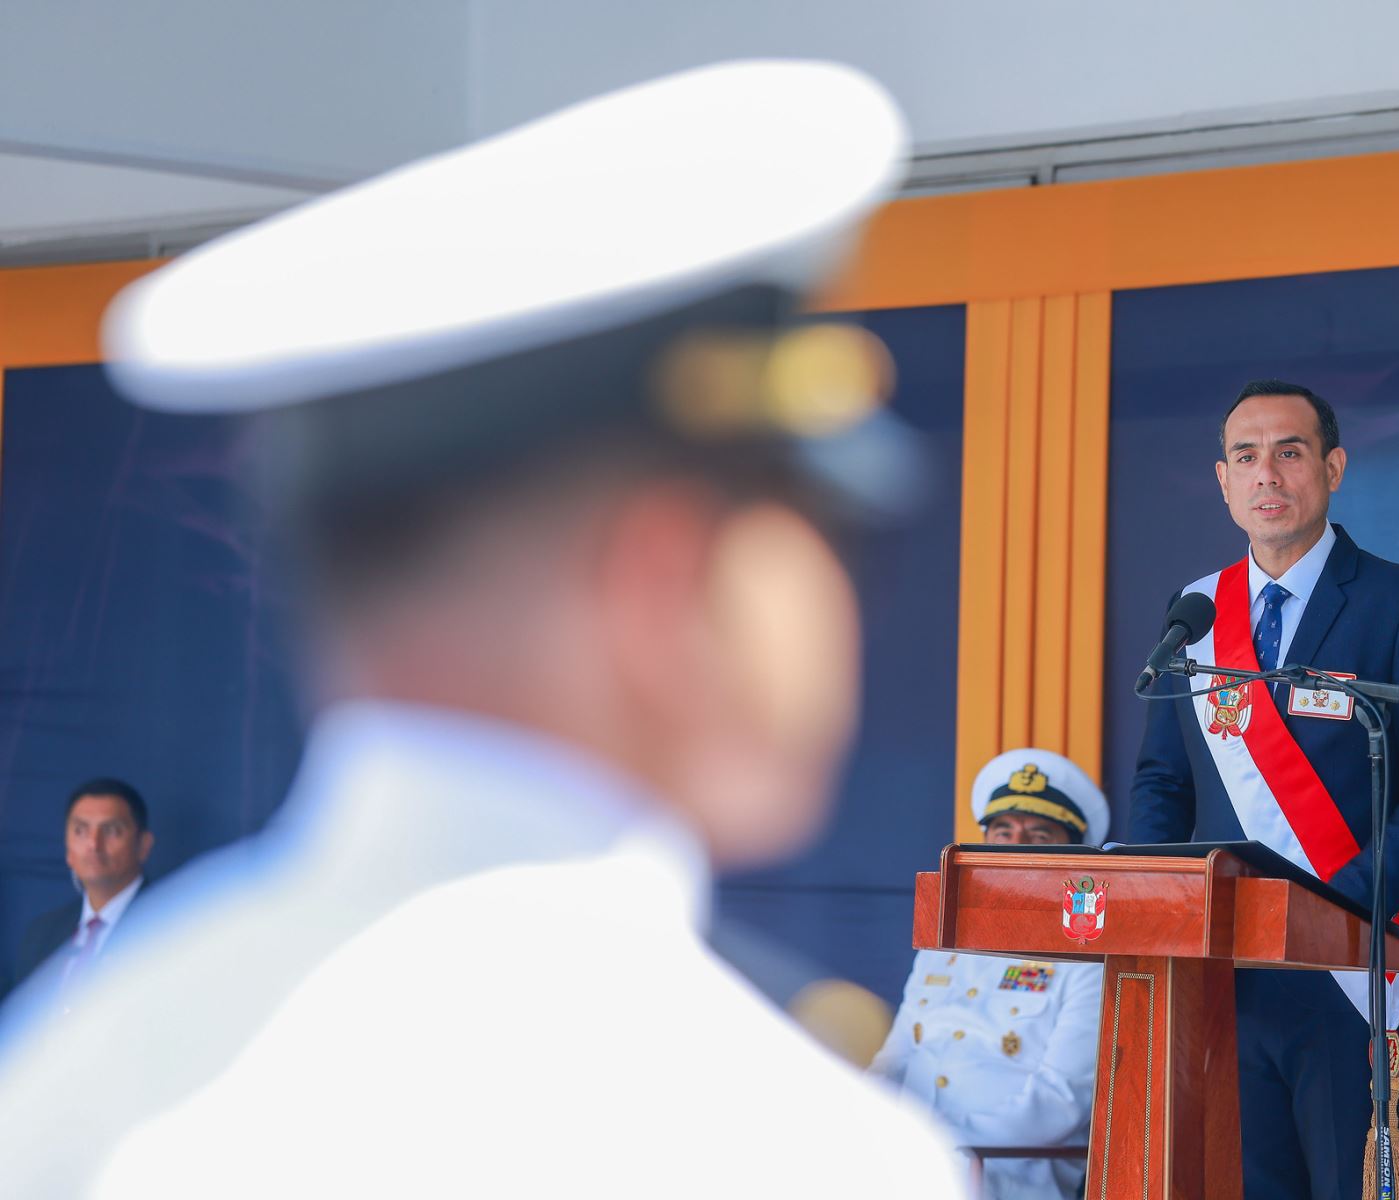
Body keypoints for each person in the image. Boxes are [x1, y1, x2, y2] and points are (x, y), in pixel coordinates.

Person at [0, 60, 966, 1199]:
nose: (838, 609)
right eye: (830, 540)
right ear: (665, 576)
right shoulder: (779, 1139)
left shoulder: (88, 1056)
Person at [1131, 379, 1399, 1200]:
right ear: (1223, 482)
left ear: (1332, 466)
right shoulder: (1196, 612)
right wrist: (1158, 895)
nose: (1268, 474)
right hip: (1226, 974)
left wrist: (1344, 901)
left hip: (1350, 966)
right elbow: (1163, 781)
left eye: (1289, 452)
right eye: (1246, 457)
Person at [871, 748, 1107, 1200]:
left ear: (1073, 854)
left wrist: (939, 1147)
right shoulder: (942, 944)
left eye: (1038, 837)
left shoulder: (1088, 957)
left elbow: (1061, 1099)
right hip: (906, 1161)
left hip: (1005, 1175)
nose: (1014, 847)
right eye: (1003, 831)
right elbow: (895, 1056)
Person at [11, 779, 154, 1001]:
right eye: (80, 831)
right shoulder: (41, 934)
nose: (93, 845)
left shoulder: (170, 926)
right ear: (67, 848)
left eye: (112, 831)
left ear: (143, 845)